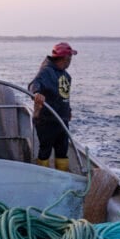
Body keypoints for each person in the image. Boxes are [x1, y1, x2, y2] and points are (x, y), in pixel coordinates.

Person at [28, 41, 77, 171]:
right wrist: (37, 93)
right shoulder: (45, 72)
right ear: (63, 58)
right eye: (69, 57)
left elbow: (64, 95)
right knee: (45, 151)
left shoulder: (66, 75)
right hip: (47, 120)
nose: (70, 60)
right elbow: (33, 84)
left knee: (62, 151)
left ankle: (62, 178)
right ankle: (42, 177)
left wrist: (69, 110)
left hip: (62, 120)